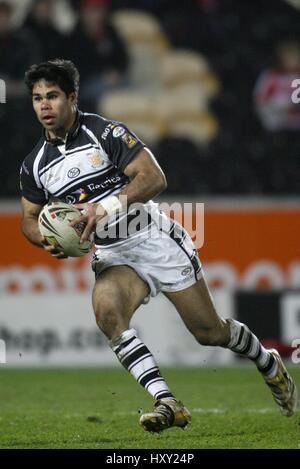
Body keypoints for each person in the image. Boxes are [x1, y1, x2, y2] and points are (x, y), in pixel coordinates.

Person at [20, 59, 297, 433]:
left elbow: (153, 178)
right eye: (37, 98)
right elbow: (28, 217)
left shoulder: (105, 132)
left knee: (209, 333)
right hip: (113, 254)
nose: (45, 106)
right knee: (108, 315)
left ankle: (267, 361)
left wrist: (101, 208)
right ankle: (167, 402)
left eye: (52, 96)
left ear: (72, 97)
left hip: (154, 239)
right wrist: (47, 239)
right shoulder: (35, 164)